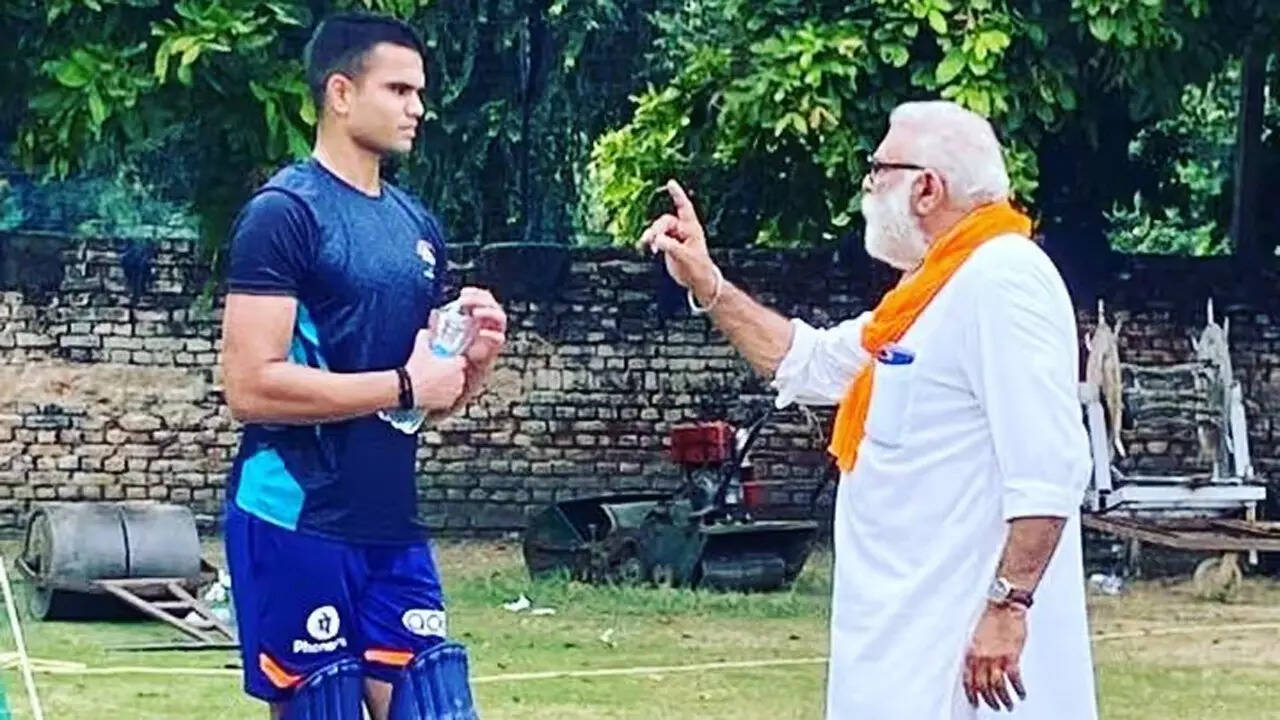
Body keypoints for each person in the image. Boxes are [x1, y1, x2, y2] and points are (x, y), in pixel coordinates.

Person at [640, 100, 1097, 719]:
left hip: (962, 644)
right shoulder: (926, 293)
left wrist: (1007, 605)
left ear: (927, 188)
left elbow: (1048, 467)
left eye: (878, 169)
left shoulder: (1003, 278)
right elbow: (807, 362)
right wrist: (708, 283)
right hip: (901, 633)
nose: (867, 185)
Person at [219, 12, 505, 720]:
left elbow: (414, 402)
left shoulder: (417, 226)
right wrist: (406, 385)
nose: (418, 108)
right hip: (295, 514)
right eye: (399, 90)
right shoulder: (285, 214)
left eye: (420, 92)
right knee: (324, 706)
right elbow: (249, 386)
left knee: (435, 703)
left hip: (390, 519)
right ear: (341, 93)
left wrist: (469, 370)